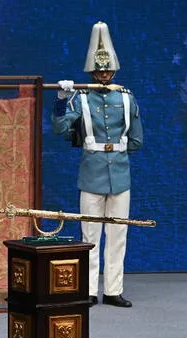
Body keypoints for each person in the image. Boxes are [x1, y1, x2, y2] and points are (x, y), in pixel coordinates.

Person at [51, 21, 144, 308]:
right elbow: (60, 129)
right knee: (89, 234)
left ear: (114, 69)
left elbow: (137, 140)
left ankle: (113, 290)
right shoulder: (80, 98)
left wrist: (115, 149)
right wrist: (61, 102)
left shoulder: (126, 98)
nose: (103, 74)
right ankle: (89, 289)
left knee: (118, 234)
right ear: (91, 71)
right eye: (98, 70)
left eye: (107, 70)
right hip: (91, 173)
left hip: (120, 174)